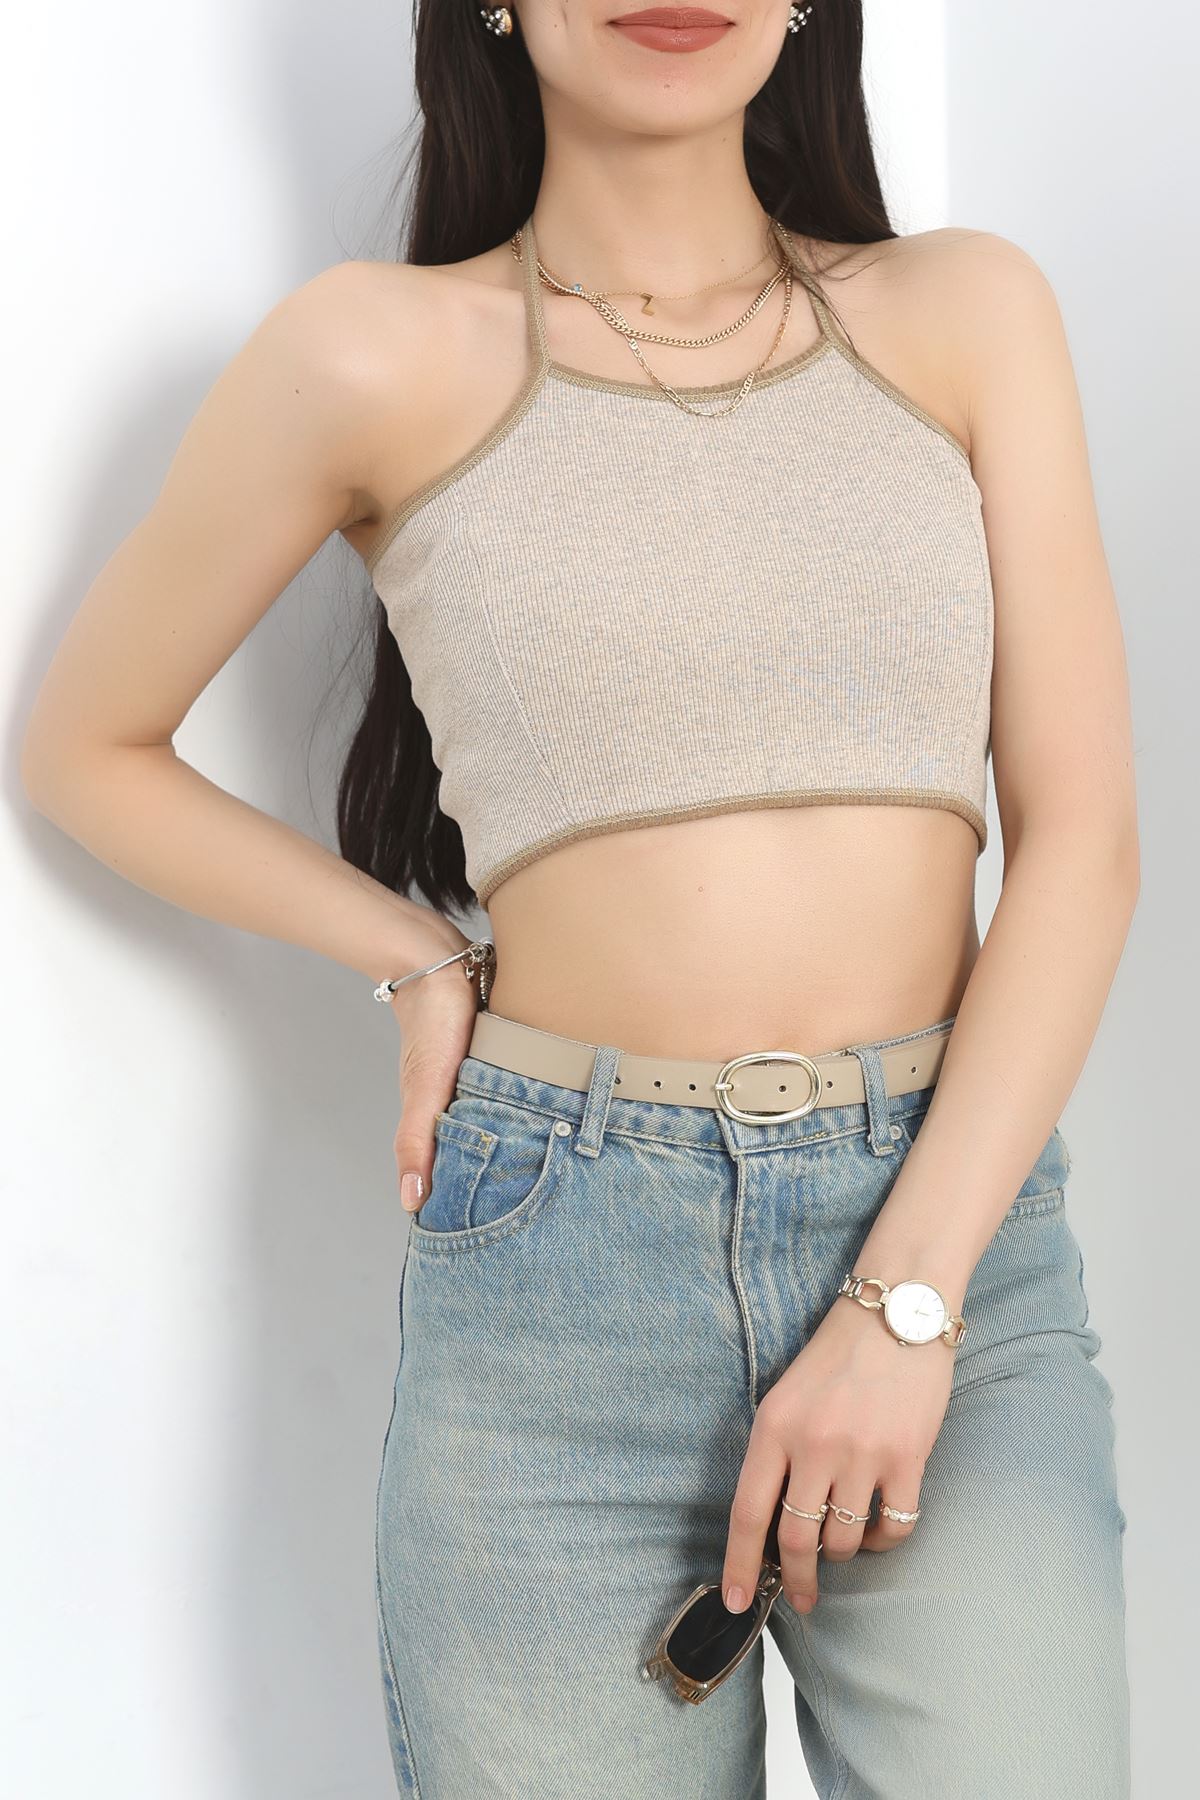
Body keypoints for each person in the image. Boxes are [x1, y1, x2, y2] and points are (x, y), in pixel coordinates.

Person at [20, 2, 1138, 1795]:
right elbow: (87, 744)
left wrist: (904, 1308)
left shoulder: (964, 312)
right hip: (556, 1281)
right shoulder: (368, 353)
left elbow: (1083, 841)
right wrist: (412, 956)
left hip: (948, 1245)